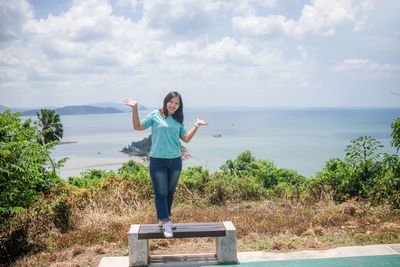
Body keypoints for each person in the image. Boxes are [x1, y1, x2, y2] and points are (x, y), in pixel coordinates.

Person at [124, 91, 208, 238]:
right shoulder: (155, 115)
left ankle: (164, 221)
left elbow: (186, 139)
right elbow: (137, 126)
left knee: (169, 192)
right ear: (166, 101)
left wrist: (196, 125)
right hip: (158, 160)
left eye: (177, 103)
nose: (173, 105)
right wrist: (134, 108)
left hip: (175, 160)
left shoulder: (177, 120)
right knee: (160, 192)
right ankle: (167, 222)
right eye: (171, 102)